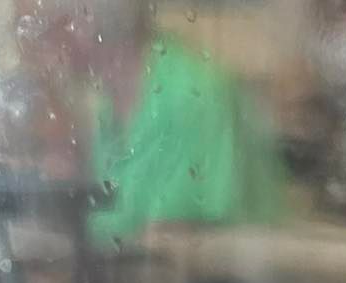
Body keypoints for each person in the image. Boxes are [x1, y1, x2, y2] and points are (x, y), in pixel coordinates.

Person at [18, 0, 284, 243]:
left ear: (81, 25)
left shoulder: (190, 93)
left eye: (42, 34)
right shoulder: (107, 104)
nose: (32, 53)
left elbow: (181, 246)